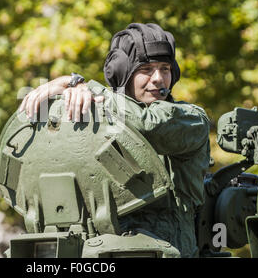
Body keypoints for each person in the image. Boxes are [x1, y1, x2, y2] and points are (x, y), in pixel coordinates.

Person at [18, 23, 211, 258]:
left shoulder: (191, 120)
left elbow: (147, 124)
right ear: (123, 72)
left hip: (168, 249)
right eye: (147, 69)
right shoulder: (97, 118)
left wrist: (84, 87)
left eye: (165, 68)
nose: (159, 78)